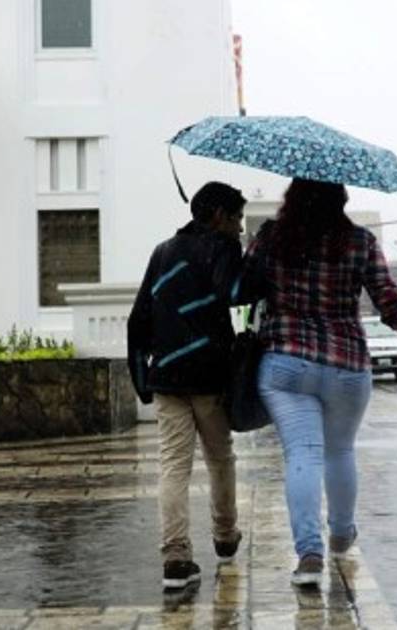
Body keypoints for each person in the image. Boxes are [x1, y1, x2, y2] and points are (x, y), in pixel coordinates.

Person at [235, 177, 397, 587]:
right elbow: (389, 301)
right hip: (347, 364)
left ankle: (309, 555)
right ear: (341, 199)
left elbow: (241, 287)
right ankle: (342, 535)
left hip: (287, 362)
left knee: (303, 453)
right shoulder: (359, 242)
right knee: (340, 451)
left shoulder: (272, 237)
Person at [127, 182, 248, 590]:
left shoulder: (162, 252)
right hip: (210, 377)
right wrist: (253, 261)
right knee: (220, 459)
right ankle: (225, 536)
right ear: (219, 216)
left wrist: (142, 379)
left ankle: (175, 558)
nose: (240, 228)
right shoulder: (223, 248)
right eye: (237, 219)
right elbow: (234, 293)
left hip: (166, 377)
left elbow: (138, 318)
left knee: (174, 465)